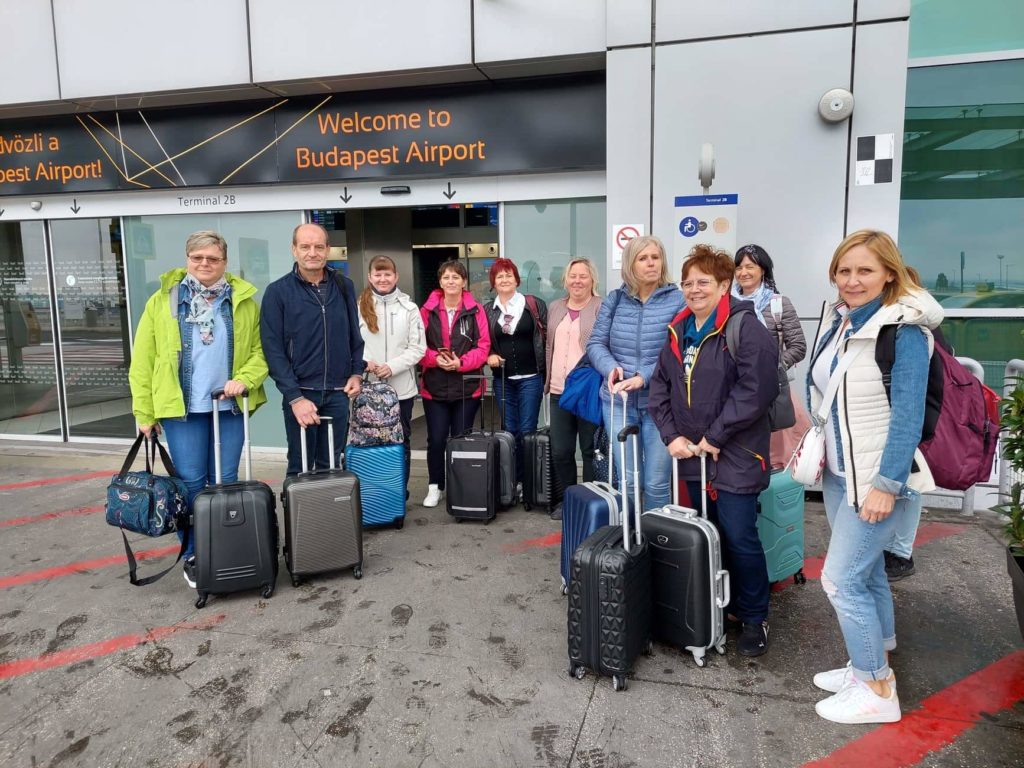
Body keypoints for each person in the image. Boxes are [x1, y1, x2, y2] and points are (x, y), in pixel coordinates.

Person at [806, 229, 942, 724]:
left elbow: (906, 416)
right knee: (866, 574)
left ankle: (877, 689)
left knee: (840, 581)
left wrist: (885, 486)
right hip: (844, 474)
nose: (852, 280)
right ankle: (873, 657)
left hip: (877, 480)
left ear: (889, 272)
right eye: (844, 270)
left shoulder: (903, 331)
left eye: (864, 270)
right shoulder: (844, 322)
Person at [648, 244, 779, 657]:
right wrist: (671, 436)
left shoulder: (745, 328)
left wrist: (716, 436)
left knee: (740, 536)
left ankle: (754, 616)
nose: (694, 289)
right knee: (707, 534)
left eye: (704, 282)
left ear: (725, 285)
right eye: (688, 282)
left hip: (736, 454)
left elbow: (755, 391)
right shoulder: (677, 330)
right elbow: (659, 390)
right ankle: (712, 607)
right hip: (692, 455)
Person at [128, 230, 268, 588]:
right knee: (190, 484)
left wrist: (245, 380)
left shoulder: (244, 300)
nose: (205, 264)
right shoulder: (163, 301)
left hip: (228, 406)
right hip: (183, 410)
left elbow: (260, 352)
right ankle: (194, 553)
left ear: (224, 262)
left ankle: (225, 545)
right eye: (197, 258)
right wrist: (144, 412)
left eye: (213, 258)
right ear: (187, 259)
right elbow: (143, 359)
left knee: (225, 481)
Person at [586, 235, 684, 511]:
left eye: (655, 257)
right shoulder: (615, 299)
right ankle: (630, 543)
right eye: (643, 258)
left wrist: (644, 377)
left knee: (655, 483)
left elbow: (676, 350)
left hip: (660, 404)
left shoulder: (677, 300)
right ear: (631, 264)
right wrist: (611, 368)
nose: (651, 263)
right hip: (618, 402)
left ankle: (655, 544)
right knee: (628, 482)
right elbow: (595, 343)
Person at [260, 223, 364, 476]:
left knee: (333, 466)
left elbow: (354, 335)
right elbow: (273, 350)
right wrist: (295, 398)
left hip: (339, 393)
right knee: (300, 466)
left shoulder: (344, 285)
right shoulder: (277, 292)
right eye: (305, 246)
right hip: (302, 394)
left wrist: (356, 373)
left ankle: (328, 516)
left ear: (328, 249)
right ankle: (301, 517)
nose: (312, 252)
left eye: (319, 246)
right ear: (294, 250)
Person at [419, 259, 491, 508]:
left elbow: (483, 347)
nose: (451, 281)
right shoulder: (426, 311)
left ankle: (461, 486)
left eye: (456, 277)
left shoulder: (476, 310)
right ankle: (435, 486)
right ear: (440, 282)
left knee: (461, 439)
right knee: (437, 439)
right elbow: (417, 346)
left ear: (464, 282)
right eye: (446, 277)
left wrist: (461, 363)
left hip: (466, 386)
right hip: (434, 386)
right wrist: (435, 359)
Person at [733, 244, 810, 468]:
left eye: (750, 266)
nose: (743, 272)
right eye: (738, 267)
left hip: (772, 392)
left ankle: (771, 501)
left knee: (774, 458)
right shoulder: (727, 303)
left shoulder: (778, 304)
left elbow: (798, 346)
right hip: (735, 388)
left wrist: (773, 366)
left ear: (763, 270)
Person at [357, 255, 426, 499]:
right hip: (367, 389)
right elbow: (350, 343)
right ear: (370, 277)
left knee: (400, 441)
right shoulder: (358, 307)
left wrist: (392, 366)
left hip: (401, 390)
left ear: (396, 277)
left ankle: (398, 493)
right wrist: (366, 364)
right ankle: (373, 493)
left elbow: (418, 348)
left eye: (387, 274)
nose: (383, 278)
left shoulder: (410, 309)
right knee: (369, 441)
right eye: (378, 274)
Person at [544, 257, 602, 520]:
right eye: (573, 276)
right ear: (565, 280)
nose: (577, 281)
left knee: (590, 450)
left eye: (583, 276)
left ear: (592, 280)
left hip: (587, 391)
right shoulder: (555, 307)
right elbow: (548, 346)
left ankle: (590, 502)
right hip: (558, 390)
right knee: (561, 450)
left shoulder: (601, 306)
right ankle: (569, 499)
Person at [485, 258, 547, 498]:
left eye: (508, 275)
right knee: (510, 432)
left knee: (527, 430)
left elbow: (547, 338)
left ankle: (532, 483)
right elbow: (485, 343)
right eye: (499, 276)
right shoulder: (488, 310)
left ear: (516, 278)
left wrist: (548, 373)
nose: (504, 279)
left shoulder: (533, 304)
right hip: (503, 380)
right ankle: (514, 481)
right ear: (493, 282)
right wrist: (490, 355)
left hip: (531, 377)